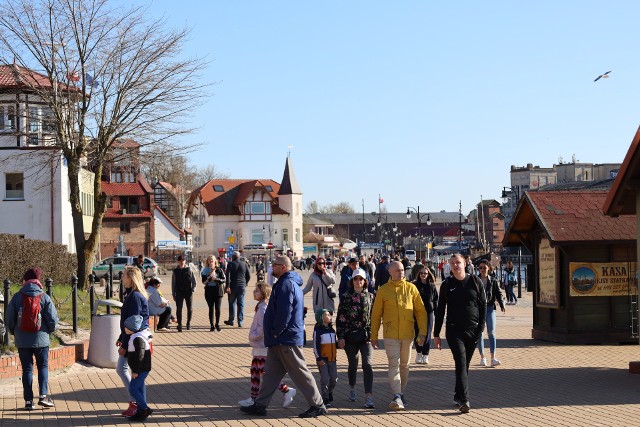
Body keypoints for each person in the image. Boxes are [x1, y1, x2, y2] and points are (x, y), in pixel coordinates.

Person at [240, 256, 327, 418]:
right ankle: (260, 404)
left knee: (300, 372)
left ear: (284, 267)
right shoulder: (283, 283)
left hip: (286, 338)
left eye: (275, 265)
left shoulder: (286, 284)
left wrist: (275, 331)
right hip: (278, 339)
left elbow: (284, 312)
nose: (272, 267)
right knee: (270, 374)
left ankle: (318, 404)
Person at [434, 253, 487, 414]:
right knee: (461, 362)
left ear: (465, 264)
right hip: (454, 330)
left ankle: (458, 395)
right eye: (452, 263)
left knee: (464, 366)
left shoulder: (475, 282)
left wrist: (480, 329)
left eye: (458, 262)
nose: (455, 265)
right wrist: (436, 334)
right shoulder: (447, 284)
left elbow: (483, 306)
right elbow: (440, 310)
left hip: (473, 330)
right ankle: (464, 400)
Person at [370, 261, 427, 411]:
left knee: (405, 366)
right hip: (390, 334)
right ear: (390, 272)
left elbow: (420, 312)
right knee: (393, 364)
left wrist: (422, 333)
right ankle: (396, 395)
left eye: (402, 270)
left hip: (408, 334)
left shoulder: (411, 288)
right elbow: (376, 315)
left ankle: (401, 393)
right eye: (397, 270)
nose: (401, 273)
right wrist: (373, 335)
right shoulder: (383, 290)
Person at [6, 268, 59, 410]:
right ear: (38, 281)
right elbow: (53, 320)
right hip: (41, 339)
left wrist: (14, 331)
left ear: (26, 280)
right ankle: (43, 396)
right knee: (42, 366)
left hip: (22, 340)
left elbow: (9, 318)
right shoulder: (44, 297)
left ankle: (29, 402)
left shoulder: (17, 297)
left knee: (27, 370)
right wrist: (49, 331)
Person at [238, 281, 297, 408]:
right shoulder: (260, 307)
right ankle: (253, 397)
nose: (254, 292)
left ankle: (286, 390)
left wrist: (253, 335)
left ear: (263, 293)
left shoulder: (263, 308)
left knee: (265, 374)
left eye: (257, 290)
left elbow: (263, 328)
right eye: (254, 290)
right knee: (255, 372)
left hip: (262, 346)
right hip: (258, 346)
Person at [336, 268, 375, 408]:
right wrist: (340, 337)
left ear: (365, 281)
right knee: (353, 364)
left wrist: (373, 335)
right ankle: (352, 388)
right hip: (350, 336)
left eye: (361, 279)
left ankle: (368, 397)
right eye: (356, 279)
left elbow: (373, 318)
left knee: (367, 364)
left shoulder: (370, 296)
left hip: (366, 336)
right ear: (352, 281)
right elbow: (340, 318)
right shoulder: (346, 297)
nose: (358, 281)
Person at [116, 266, 150, 417]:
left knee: (124, 369)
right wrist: (121, 337)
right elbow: (129, 322)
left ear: (130, 278)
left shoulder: (135, 296)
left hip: (135, 342)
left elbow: (134, 324)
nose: (122, 278)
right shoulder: (131, 294)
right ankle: (137, 403)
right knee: (134, 374)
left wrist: (124, 344)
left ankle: (136, 402)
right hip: (131, 339)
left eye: (123, 275)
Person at [123, 314, 153, 422]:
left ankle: (144, 408)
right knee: (139, 388)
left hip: (141, 369)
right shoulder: (135, 337)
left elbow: (140, 355)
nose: (124, 329)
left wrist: (135, 371)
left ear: (132, 328)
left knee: (133, 388)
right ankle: (140, 411)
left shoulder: (138, 339)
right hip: (141, 368)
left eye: (126, 327)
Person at [476, 260, 506, 367]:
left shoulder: (493, 280)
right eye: (480, 268)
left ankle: (493, 358)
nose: (483, 269)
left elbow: (498, 293)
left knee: (491, 333)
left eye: (484, 267)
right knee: (480, 333)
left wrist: (502, 305)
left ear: (488, 268)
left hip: (490, 308)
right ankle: (482, 357)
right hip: (479, 309)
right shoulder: (475, 280)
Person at [412, 267, 438, 365]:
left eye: (425, 273)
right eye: (422, 273)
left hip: (429, 312)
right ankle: (418, 352)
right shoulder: (414, 285)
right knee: (418, 333)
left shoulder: (432, 286)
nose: (423, 275)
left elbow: (435, 300)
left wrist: (436, 312)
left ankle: (425, 354)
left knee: (427, 334)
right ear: (419, 274)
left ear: (428, 274)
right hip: (417, 313)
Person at [313, 309, 338, 407]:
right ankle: (325, 398)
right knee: (324, 379)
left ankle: (329, 392)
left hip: (332, 359)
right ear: (321, 318)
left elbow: (333, 344)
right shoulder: (318, 331)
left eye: (329, 315)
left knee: (334, 379)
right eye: (327, 315)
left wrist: (339, 344)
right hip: (323, 359)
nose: (330, 316)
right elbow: (315, 346)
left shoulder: (332, 330)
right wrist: (319, 358)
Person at [224, 251, 251, 327]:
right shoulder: (244, 264)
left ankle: (231, 320)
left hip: (232, 286)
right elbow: (248, 276)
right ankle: (240, 321)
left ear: (233, 257)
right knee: (241, 304)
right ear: (239, 256)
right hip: (242, 286)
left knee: (232, 303)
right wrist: (245, 283)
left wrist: (227, 286)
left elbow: (228, 276)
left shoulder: (230, 264)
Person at [200, 255, 226, 332]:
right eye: (209, 260)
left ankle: (217, 324)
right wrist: (209, 276)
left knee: (218, 308)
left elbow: (224, 279)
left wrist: (216, 279)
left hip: (218, 290)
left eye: (212, 260)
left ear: (215, 261)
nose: (211, 261)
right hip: (209, 290)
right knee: (211, 308)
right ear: (208, 261)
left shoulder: (219, 270)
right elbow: (204, 282)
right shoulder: (205, 270)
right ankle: (211, 325)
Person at [171, 255, 197, 332]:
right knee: (179, 309)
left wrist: (193, 289)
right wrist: (173, 294)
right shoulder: (175, 271)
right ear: (178, 261)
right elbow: (173, 283)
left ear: (185, 261)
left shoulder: (189, 270)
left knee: (190, 308)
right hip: (179, 292)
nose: (182, 262)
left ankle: (188, 324)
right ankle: (179, 325)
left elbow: (194, 281)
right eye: (180, 260)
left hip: (188, 292)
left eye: (183, 260)